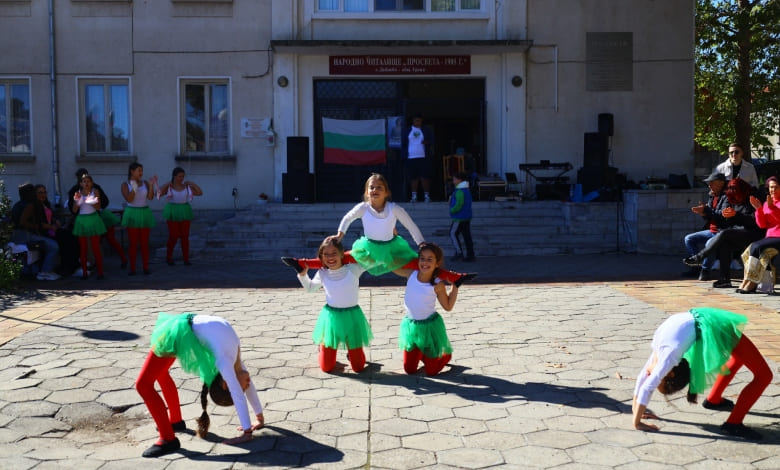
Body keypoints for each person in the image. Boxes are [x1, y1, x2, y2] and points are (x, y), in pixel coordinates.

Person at [281, 173, 475, 286]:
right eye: (371, 187)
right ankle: (303, 263)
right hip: (368, 248)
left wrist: (420, 242)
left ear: (386, 191)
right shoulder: (363, 208)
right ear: (367, 192)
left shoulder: (394, 208)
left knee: (418, 264)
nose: (375, 190)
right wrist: (340, 234)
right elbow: (348, 217)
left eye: (379, 187)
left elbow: (410, 225)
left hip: (392, 248)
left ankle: (453, 277)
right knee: (339, 258)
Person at [135, 313, 265, 457]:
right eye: (244, 387)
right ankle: (173, 426)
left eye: (244, 386)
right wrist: (250, 428)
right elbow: (238, 393)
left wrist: (255, 423)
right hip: (179, 329)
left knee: (145, 383)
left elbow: (242, 389)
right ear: (227, 384)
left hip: (180, 329)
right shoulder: (229, 362)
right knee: (151, 379)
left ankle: (169, 436)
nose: (247, 384)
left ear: (225, 385)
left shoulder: (229, 363)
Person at [632, 307, 771, 440]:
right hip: (710, 322)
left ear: (670, 374)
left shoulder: (667, 357)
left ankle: (716, 403)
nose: (652, 376)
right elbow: (642, 379)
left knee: (755, 368)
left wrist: (636, 421)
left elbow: (646, 386)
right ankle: (733, 423)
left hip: (712, 324)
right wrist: (636, 411)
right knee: (760, 372)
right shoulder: (662, 356)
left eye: (658, 380)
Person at [295, 236, 373, 373]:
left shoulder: (353, 269)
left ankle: (353, 354)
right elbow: (310, 288)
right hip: (331, 319)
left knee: (358, 367)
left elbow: (375, 260)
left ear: (342, 254)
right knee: (327, 367)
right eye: (326, 254)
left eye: (334, 253)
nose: (330, 257)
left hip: (352, 317)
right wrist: (302, 275)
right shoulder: (323, 273)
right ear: (321, 257)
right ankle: (323, 349)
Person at [683, 178, 764, 289]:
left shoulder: (753, 198)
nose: (735, 196)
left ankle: (700, 256)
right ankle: (724, 279)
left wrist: (735, 215)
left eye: (735, 191)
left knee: (725, 234)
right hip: (741, 233)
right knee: (724, 243)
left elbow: (755, 221)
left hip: (755, 233)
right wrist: (728, 217)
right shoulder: (734, 199)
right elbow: (732, 221)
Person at [394, 242, 458, 376]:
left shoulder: (437, 284)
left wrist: (455, 287)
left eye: (430, 259)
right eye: (422, 258)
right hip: (411, 326)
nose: (425, 262)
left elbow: (448, 306)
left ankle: (445, 356)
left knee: (432, 371)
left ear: (437, 263)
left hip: (429, 328)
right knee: (409, 370)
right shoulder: (411, 273)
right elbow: (392, 265)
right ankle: (422, 354)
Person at [68, 168, 127, 270]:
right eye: (82, 179)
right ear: (79, 180)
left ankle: (122, 259)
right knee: (88, 245)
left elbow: (103, 203)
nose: (85, 182)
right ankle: (91, 265)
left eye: (87, 179)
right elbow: (72, 208)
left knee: (109, 239)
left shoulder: (95, 189)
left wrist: (94, 202)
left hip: (100, 217)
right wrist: (79, 205)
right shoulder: (75, 191)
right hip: (84, 220)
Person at [736, 176, 780, 293]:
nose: (773, 190)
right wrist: (759, 210)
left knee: (756, 246)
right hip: (770, 236)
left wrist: (772, 208)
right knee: (750, 250)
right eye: (771, 187)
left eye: (776, 187)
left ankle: (751, 282)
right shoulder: (767, 203)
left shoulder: (773, 204)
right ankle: (759, 284)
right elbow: (762, 225)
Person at [681, 172, 728, 281]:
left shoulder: (726, 197)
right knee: (689, 238)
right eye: (709, 183)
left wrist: (706, 210)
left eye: (712, 183)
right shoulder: (712, 196)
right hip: (711, 230)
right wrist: (703, 213)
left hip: (721, 231)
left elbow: (722, 214)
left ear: (721, 184)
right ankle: (696, 266)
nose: (709, 185)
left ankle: (705, 270)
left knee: (709, 244)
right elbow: (710, 216)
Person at [10, 183, 61, 280]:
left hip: (16, 235)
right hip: (25, 235)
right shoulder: (29, 205)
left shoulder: (18, 204)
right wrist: (38, 226)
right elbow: (23, 223)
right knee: (53, 246)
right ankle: (45, 271)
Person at [158, 167, 203, 266]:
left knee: (185, 237)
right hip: (172, 212)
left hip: (184, 211)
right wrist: (166, 184)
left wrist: (192, 184)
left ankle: (186, 259)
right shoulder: (169, 187)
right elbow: (158, 193)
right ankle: (168, 257)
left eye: (183, 176)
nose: (181, 178)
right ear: (174, 176)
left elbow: (200, 193)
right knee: (173, 236)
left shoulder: (186, 187)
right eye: (179, 176)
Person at [35, 184, 79, 276]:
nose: (43, 194)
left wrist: (55, 221)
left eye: (44, 192)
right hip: (44, 232)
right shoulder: (35, 206)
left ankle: (72, 265)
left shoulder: (46, 204)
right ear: (35, 194)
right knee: (65, 238)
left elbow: (50, 217)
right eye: (40, 193)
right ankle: (67, 267)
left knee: (71, 236)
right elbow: (39, 223)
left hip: (52, 229)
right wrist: (51, 227)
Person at [121, 162, 157, 275]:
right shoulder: (125, 184)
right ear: (132, 171)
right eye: (138, 170)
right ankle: (132, 268)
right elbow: (129, 199)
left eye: (142, 170)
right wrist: (134, 188)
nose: (141, 173)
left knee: (145, 243)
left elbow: (150, 197)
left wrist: (151, 186)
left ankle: (145, 267)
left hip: (144, 212)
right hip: (132, 213)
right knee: (133, 243)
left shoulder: (145, 183)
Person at [71, 174, 108, 280]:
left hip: (93, 219)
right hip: (82, 220)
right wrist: (77, 201)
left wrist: (91, 200)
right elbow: (74, 210)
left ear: (91, 183)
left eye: (88, 181)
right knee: (83, 249)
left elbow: (98, 207)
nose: (86, 183)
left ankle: (100, 273)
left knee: (96, 247)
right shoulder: (77, 193)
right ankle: (84, 273)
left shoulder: (95, 192)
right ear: (80, 183)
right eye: (84, 181)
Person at [404, 114, 434, 203]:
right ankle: (414, 196)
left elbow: (432, 140)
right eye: (416, 120)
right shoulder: (407, 131)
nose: (417, 122)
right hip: (411, 157)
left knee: (425, 177)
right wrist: (404, 155)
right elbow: (403, 143)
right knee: (413, 178)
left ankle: (427, 196)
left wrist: (427, 142)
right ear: (413, 121)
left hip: (423, 157)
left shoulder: (426, 130)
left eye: (419, 120)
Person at [449, 171, 474, 262]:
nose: (453, 181)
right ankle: (470, 255)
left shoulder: (459, 191)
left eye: (454, 179)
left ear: (459, 180)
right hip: (467, 216)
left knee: (452, 233)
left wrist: (452, 209)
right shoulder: (466, 190)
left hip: (459, 217)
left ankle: (459, 252)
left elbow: (459, 204)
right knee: (467, 236)